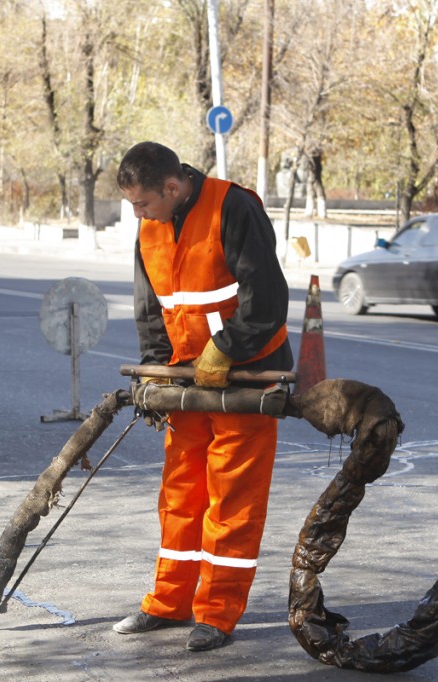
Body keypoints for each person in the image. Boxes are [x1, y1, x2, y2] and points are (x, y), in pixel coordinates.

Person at [114, 141, 293, 652]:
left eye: (143, 203)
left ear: (172, 187)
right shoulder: (150, 222)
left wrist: (225, 352)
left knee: (232, 498)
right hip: (186, 378)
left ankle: (217, 612)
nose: (137, 213)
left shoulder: (234, 207)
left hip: (246, 377)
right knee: (180, 494)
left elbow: (266, 300)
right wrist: (156, 372)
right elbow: (152, 304)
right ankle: (170, 602)